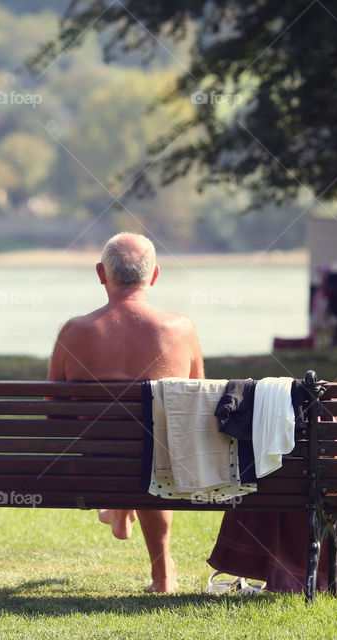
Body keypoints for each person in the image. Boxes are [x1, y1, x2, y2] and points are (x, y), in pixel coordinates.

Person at [48, 232, 204, 593]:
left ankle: (118, 507)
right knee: (154, 447)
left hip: (97, 461)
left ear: (102, 274)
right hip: (163, 463)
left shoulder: (74, 331)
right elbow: (197, 402)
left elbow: (54, 414)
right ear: (154, 276)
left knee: (132, 448)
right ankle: (162, 574)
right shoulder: (181, 328)